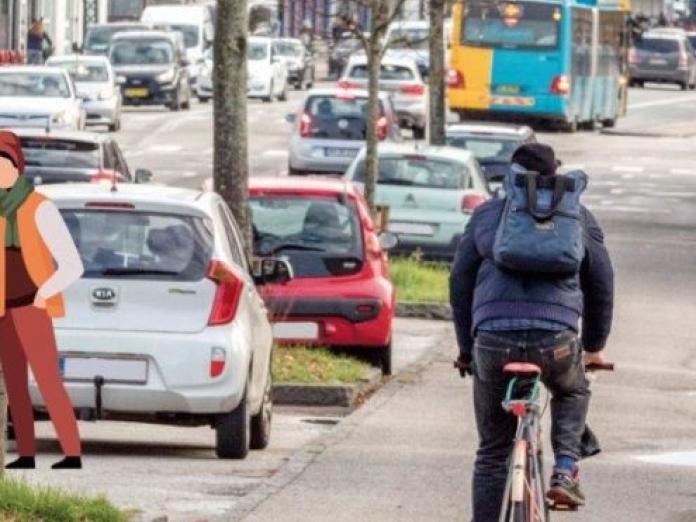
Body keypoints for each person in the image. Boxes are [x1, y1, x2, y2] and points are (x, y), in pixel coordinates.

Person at [450, 143, 614, 521]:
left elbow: (460, 282)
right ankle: (564, 469)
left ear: (512, 174)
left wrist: (465, 347)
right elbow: (602, 282)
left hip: (493, 339)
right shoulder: (577, 218)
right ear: (556, 173)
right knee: (572, 389)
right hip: (555, 340)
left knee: (493, 452)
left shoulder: (488, 215)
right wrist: (593, 347)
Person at [0, 130, 84, 470]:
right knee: (15, 384)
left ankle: (72, 452)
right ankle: (26, 454)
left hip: (32, 306)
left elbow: (71, 264)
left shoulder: (39, 208)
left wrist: (44, 295)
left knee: (48, 379)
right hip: (4, 309)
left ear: (17, 165)